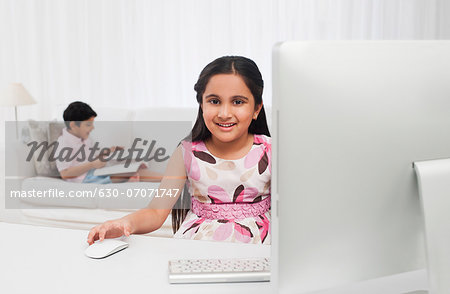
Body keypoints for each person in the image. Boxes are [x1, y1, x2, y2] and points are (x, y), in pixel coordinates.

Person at [87, 56, 271, 245]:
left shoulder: (270, 151)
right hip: (198, 246)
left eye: (238, 102)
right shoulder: (186, 153)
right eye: (214, 101)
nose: (224, 113)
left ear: (256, 108)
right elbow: (156, 211)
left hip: (259, 247)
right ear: (202, 104)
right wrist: (124, 223)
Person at [56, 101, 162, 183]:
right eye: (88, 125)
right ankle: (171, 180)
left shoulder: (85, 138)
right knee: (133, 171)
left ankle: (169, 179)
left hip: (95, 172)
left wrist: (106, 153)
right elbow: (65, 174)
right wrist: (92, 164)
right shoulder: (64, 143)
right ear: (73, 125)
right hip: (84, 179)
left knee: (134, 165)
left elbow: (89, 158)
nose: (92, 128)